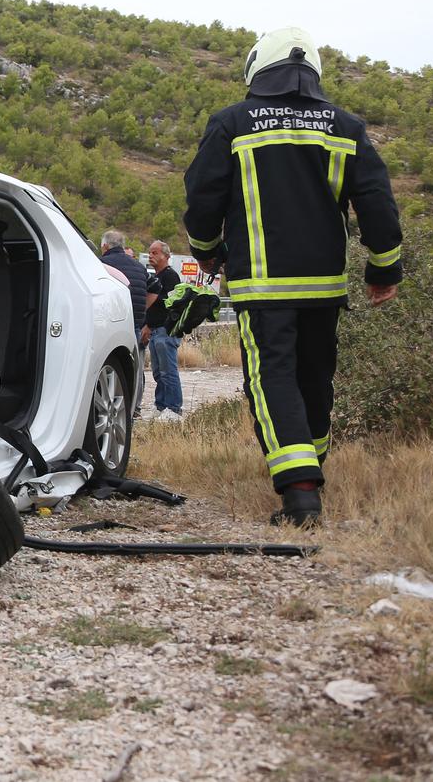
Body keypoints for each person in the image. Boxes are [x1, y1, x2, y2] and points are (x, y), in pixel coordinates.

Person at [183, 26, 402, 527]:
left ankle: (302, 495)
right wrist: (384, 267)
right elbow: (377, 200)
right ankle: (310, 469)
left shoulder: (233, 123)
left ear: (258, 68)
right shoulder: (344, 127)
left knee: (271, 378)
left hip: (263, 286)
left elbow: (202, 198)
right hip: (324, 287)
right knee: (314, 379)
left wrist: (207, 250)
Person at [141, 240, 184, 422]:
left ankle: (174, 409)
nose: (151, 255)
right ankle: (161, 406)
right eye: (150, 252)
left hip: (166, 330)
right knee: (158, 372)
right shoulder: (155, 278)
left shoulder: (171, 276)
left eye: (155, 252)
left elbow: (172, 304)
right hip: (155, 331)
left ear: (166, 256)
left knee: (168, 371)